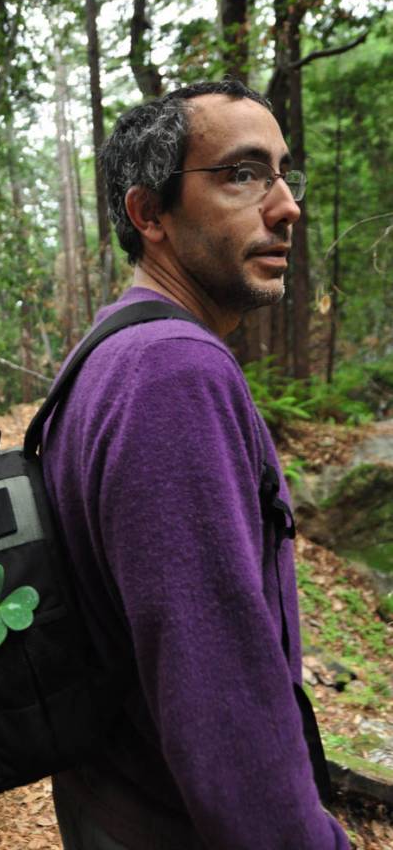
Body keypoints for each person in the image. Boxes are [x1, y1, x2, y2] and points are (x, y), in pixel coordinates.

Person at [42, 80, 350, 849]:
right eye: (243, 174)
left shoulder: (110, 351)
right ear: (150, 214)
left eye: (283, 174)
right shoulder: (174, 372)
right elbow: (221, 706)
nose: (286, 207)